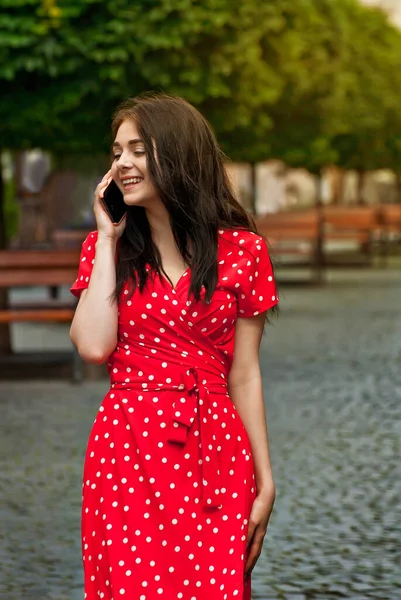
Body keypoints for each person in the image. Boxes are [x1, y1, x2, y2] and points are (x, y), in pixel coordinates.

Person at [70, 92, 279, 600]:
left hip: (216, 452)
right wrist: (107, 237)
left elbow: (245, 374)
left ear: (179, 153)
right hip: (128, 448)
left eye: (138, 149)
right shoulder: (106, 249)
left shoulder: (243, 250)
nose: (122, 163)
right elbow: (95, 347)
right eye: (117, 151)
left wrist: (265, 479)